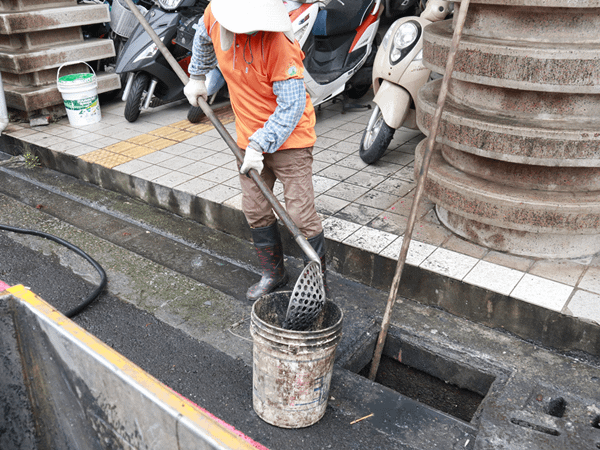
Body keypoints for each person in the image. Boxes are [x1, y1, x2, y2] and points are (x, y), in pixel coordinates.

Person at [184, 0, 327, 301]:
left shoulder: (279, 43)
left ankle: (317, 282)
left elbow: (291, 107)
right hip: (247, 138)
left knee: (300, 214)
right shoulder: (215, 13)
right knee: (256, 209)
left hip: (290, 140)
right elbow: (201, 37)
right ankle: (273, 273)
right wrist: (197, 75)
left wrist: (261, 143)